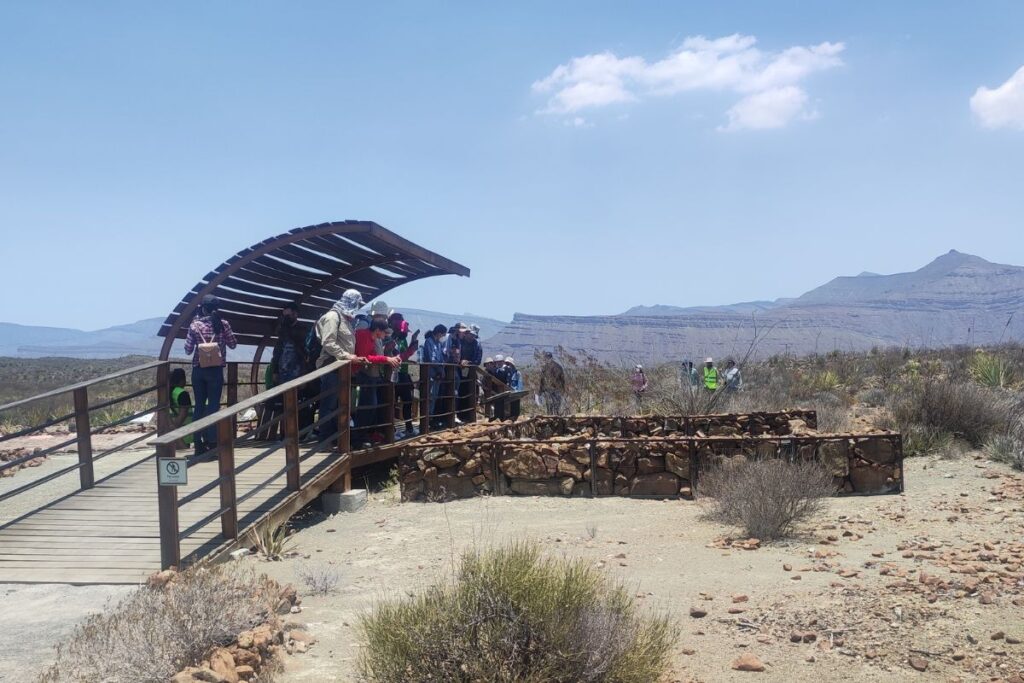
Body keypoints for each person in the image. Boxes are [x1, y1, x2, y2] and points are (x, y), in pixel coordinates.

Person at [183, 295, 238, 456]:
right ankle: (213, 442)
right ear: (217, 308)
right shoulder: (223, 324)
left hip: (198, 370)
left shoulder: (194, 326)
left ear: (202, 308)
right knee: (213, 406)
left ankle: (197, 442)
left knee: (199, 405)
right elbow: (233, 344)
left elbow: (187, 349)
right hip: (215, 370)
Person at [315, 289, 364, 442]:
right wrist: (347, 356)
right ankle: (325, 439)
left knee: (338, 404)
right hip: (332, 367)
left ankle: (336, 438)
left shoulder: (346, 320)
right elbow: (328, 342)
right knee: (329, 404)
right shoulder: (333, 317)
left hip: (342, 369)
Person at [353, 319, 401, 445]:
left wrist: (388, 359)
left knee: (370, 406)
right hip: (362, 373)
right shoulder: (363, 335)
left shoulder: (372, 338)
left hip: (364, 373)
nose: (385, 335)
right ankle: (358, 437)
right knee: (367, 406)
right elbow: (364, 357)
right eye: (385, 332)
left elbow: (373, 355)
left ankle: (362, 435)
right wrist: (386, 358)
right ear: (378, 330)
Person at [386, 313, 420, 438]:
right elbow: (396, 357)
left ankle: (409, 428)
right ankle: (392, 430)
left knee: (408, 401)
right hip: (393, 374)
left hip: (404, 373)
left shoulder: (403, 339)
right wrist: (411, 349)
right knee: (392, 403)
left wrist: (413, 343)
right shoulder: (389, 338)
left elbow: (405, 356)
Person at [421, 324, 448, 428]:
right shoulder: (429, 342)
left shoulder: (438, 343)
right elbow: (431, 358)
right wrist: (440, 369)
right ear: (439, 333)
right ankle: (425, 421)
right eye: (443, 334)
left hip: (437, 374)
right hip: (430, 373)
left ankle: (430, 419)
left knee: (434, 397)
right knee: (429, 397)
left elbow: (440, 357)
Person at [458, 324, 483, 422]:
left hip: (471, 373)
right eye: (470, 334)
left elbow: (478, 360)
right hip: (459, 371)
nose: (471, 337)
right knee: (460, 392)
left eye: (473, 335)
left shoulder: (477, 344)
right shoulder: (460, 342)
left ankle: (469, 416)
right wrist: (460, 361)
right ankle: (459, 415)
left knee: (471, 392)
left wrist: (468, 362)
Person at [168, 367, 193, 450]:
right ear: (182, 380)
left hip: (171, 427)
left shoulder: (168, 392)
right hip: (182, 431)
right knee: (183, 455)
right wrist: (174, 431)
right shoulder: (182, 393)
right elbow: (183, 414)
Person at [538, 351, 566, 416]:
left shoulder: (545, 367)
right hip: (557, 389)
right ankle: (556, 418)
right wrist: (563, 389)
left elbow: (542, 380)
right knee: (556, 406)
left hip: (548, 389)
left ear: (546, 358)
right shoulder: (558, 366)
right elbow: (562, 379)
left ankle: (550, 418)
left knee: (549, 406)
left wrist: (540, 391)